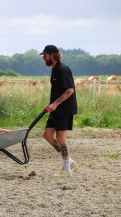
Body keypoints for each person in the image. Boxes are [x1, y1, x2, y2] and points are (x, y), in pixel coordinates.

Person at [40, 45, 77, 176]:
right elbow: (58, 91)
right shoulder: (54, 69)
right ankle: (69, 160)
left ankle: (67, 169)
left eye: (45, 55)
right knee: (47, 135)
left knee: (61, 137)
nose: (43, 57)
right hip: (55, 108)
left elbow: (69, 90)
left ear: (53, 55)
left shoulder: (62, 69)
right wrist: (50, 104)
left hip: (65, 109)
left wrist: (55, 104)